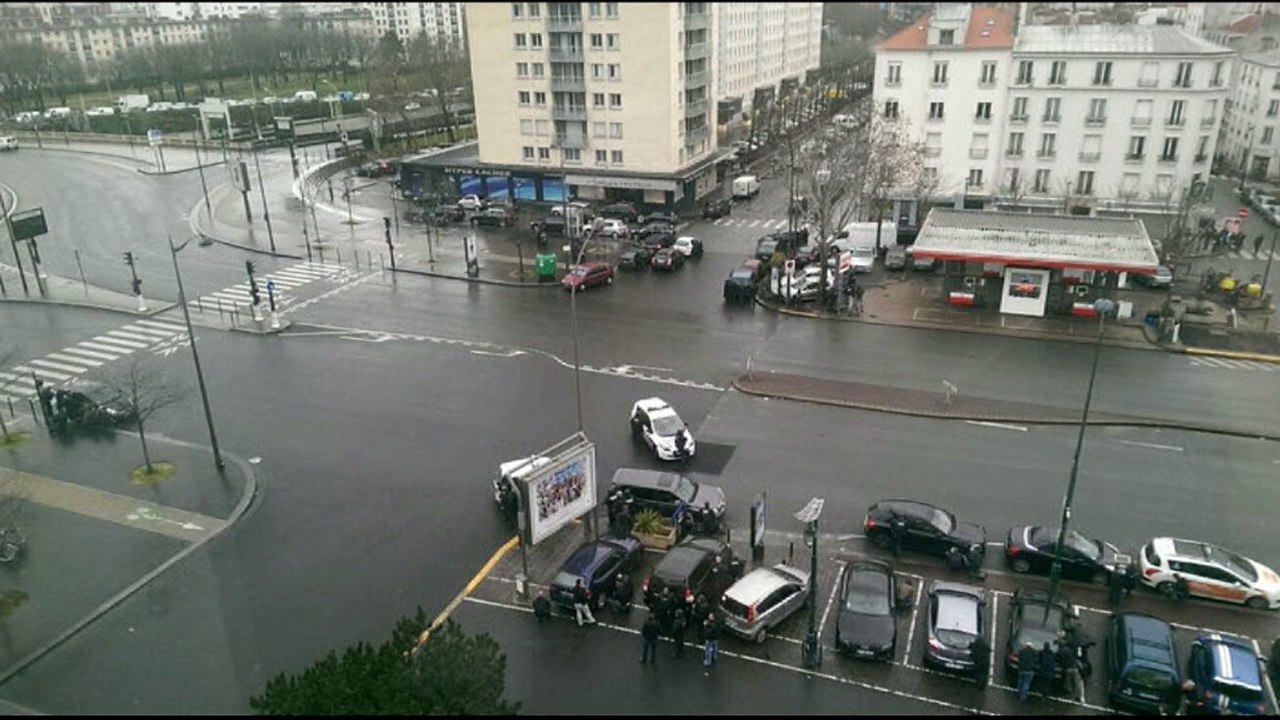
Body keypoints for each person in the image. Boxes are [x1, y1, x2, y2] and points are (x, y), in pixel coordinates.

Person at [1058, 637, 1085, 703]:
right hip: (1074, 668)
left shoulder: (1060, 651)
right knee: (1077, 683)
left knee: (1067, 682)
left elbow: (1059, 659)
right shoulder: (1070, 650)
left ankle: (1069, 694)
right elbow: (1076, 656)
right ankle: (1079, 697)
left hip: (1067, 669)